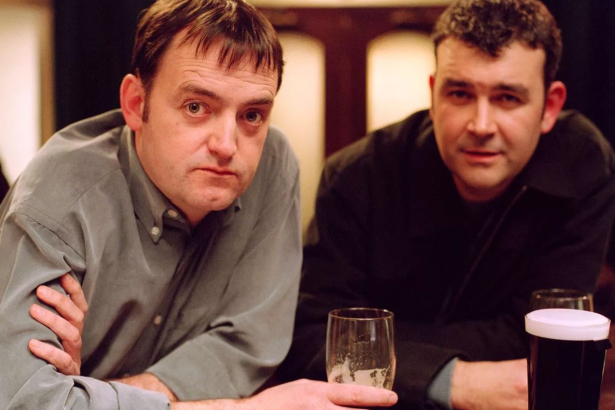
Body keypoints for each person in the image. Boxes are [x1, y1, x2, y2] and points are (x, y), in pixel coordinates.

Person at [0, 0, 398, 409]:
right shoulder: (57, 200)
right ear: (136, 104)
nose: (227, 146)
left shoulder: (272, 165)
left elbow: (250, 341)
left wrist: (92, 394)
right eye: (196, 107)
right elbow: (25, 401)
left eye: (252, 115)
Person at [277, 0, 615, 409]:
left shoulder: (582, 162)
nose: (481, 125)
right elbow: (313, 339)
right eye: (460, 93)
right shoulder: (357, 176)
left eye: (508, 97)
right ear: (434, 96)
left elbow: (552, 333)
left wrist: (386, 342)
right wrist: (456, 381)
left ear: (550, 107)